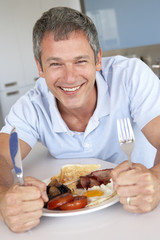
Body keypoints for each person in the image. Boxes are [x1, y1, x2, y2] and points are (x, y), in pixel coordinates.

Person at [0, 6, 160, 233]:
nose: (69, 77)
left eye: (80, 61)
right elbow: (2, 156)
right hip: (67, 228)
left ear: (97, 59)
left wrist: (156, 179)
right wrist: (3, 198)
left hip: (138, 215)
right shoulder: (31, 105)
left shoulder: (130, 76)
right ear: (40, 67)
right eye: (55, 64)